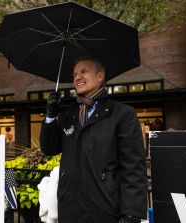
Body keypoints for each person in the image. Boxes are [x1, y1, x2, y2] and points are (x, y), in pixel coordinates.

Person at [40, 56, 147, 223]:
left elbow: (133, 168)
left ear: (99, 76)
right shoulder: (67, 114)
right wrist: (50, 116)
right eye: (75, 74)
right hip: (70, 208)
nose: (77, 77)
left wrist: (131, 215)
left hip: (104, 209)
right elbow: (49, 149)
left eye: (84, 72)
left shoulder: (122, 114)